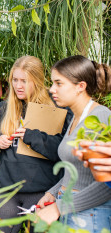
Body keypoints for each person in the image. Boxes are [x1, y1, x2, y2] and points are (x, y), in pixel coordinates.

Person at [0, 55, 72, 233]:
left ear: (37, 81)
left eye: (24, 81)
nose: (18, 85)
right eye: (15, 80)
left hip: (41, 189)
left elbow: (64, 152)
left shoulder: (57, 108)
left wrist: (33, 137)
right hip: (6, 189)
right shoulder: (2, 108)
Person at [37, 55, 111, 232]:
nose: (52, 89)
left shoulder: (100, 117)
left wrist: (58, 207)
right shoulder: (76, 118)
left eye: (59, 83)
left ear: (80, 87)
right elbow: (76, 171)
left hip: (89, 215)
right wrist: (52, 193)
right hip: (69, 207)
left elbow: (107, 185)